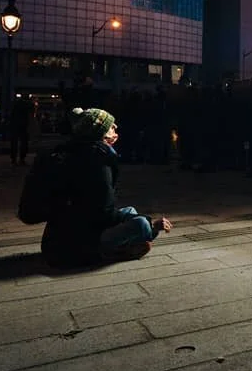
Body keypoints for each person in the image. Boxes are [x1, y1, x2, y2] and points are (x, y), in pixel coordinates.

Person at [40, 107, 172, 268]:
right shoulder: (96, 162)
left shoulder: (82, 152)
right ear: (100, 134)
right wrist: (150, 224)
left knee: (130, 211)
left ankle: (125, 245)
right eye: (110, 126)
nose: (115, 127)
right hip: (72, 246)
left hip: (61, 237)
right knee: (141, 224)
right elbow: (103, 213)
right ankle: (109, 252)